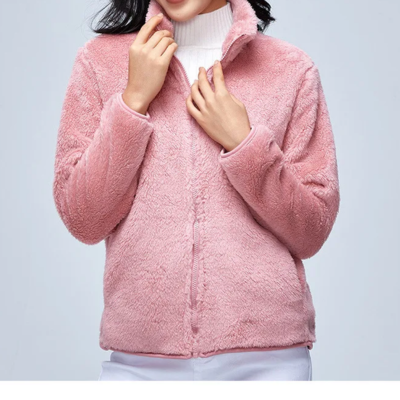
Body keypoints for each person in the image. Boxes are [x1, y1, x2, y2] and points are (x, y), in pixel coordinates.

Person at [52, 0, 340, 381]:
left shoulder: (291, 70)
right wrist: (132, 102)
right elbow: (83, 218)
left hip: (267, 361)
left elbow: (312, 229)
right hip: (140, 364)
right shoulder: (99, 64)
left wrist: (245, 144)